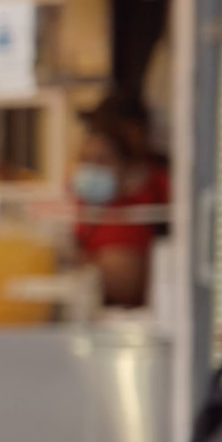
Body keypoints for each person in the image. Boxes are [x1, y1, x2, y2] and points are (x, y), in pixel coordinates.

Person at [73, 103, 170, 308]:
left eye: (101, 161)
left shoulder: (149, 202)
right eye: (84, 160)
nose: (90, 169)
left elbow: (125, 279)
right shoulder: (87, 206)